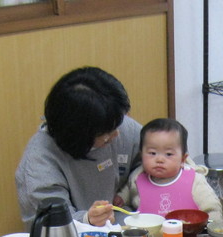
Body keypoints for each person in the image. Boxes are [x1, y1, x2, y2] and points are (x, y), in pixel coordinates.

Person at [15, 66, 141, 228]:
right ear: (79, 134)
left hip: (126, 230)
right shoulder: (39, 162)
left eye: (119, 122)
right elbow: (53, 225)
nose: (117, 133)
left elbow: (159, 153)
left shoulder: (113, 122)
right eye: (107, 132)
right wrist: (88, 219)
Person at [117, 118, 223, 219]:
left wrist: (212, 226)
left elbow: (212, 207)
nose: (159, 159)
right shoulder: (137, 177)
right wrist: (121, 198)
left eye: (168, 154)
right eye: (152, 153)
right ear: (141, 155)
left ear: (182, 159)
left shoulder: (194, 180)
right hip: (150, 235)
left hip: (188, 234)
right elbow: (128, 190)